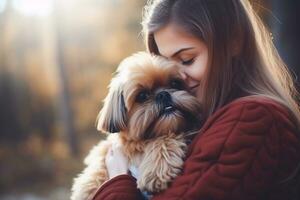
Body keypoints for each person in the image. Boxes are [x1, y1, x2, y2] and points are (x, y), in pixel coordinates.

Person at [92, 0, 300, 199]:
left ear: (234, 41)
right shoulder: (212, 119)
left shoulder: (253, 118)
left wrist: (118, 179)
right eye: (166, 62)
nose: (179, 76)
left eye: (187, 60)